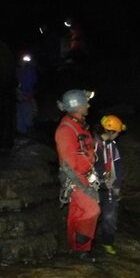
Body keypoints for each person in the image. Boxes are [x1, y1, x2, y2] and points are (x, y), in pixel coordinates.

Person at [54, 89, 100, 261]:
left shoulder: (79, 124)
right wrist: (82, 186)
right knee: (91, 209)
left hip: (85, 174)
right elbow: (67, 164)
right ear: (78, 106)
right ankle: (82, 245)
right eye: (85, 103)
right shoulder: (66, 129)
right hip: (74, 177)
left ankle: (78, 249)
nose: (88, 105)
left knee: (78, 211)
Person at [93, 115, 127, 255]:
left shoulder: (112, 146)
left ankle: (108, 242)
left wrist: (117, 186)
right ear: (110, 131)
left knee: (109, 216)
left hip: (109, 186)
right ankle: (87, 243)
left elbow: (117, 166)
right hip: (93, 186)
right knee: (92, 214)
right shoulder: (93, 144)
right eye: (118, 132)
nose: (118, 135)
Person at [15, 52, 38, 135]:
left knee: (28, 113)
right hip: (20, 97)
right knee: (21, 114)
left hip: (28, 97)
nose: (24, 61)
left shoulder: (31, 71)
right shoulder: (17, 71)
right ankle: (22, 132)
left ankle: (27, 131)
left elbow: (34, 83)